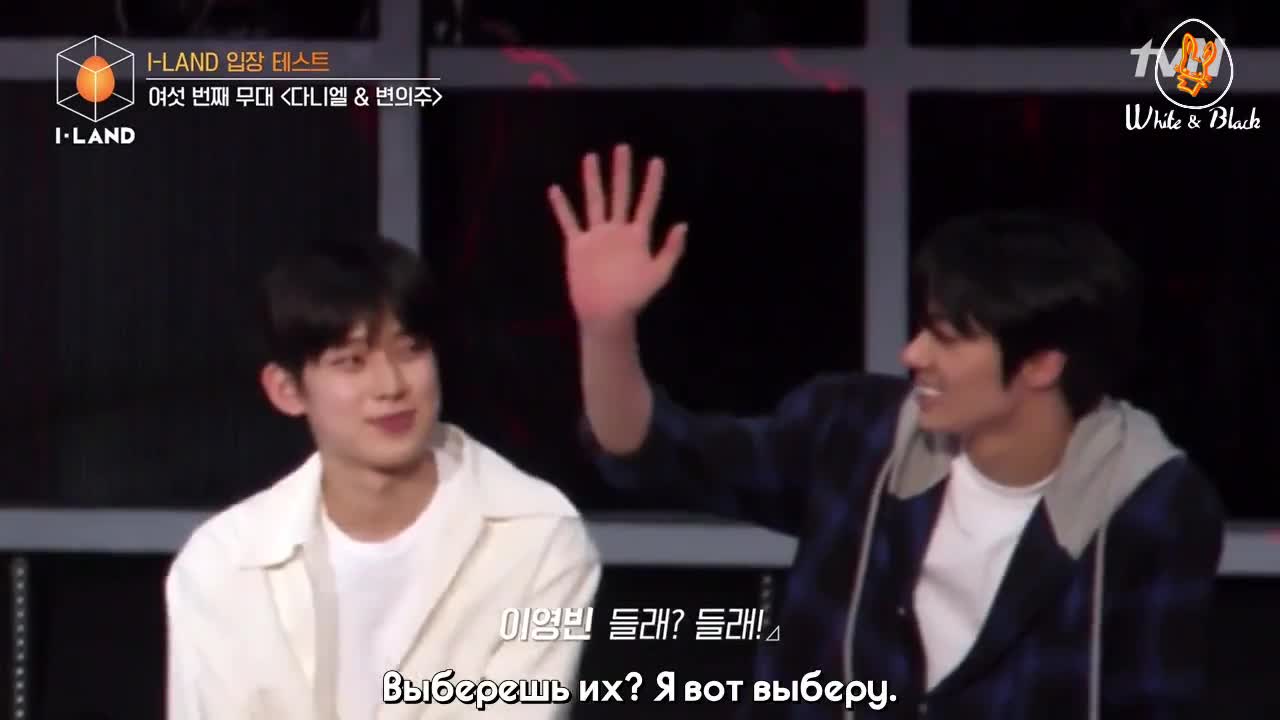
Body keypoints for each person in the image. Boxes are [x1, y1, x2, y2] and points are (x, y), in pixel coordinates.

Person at [549, 144, 1224, 719]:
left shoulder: (1153, 505)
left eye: (947, 338)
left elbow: (1151, 703)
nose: (912, 355)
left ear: (1043, 364)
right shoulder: (854, 433)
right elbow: (654, 451)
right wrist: (607, 329)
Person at [164, 235, 601, 719]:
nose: (391, 386)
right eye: (352, 362)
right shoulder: (222, 565)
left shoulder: (539, 536)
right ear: (287, 390)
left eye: (411, 350)